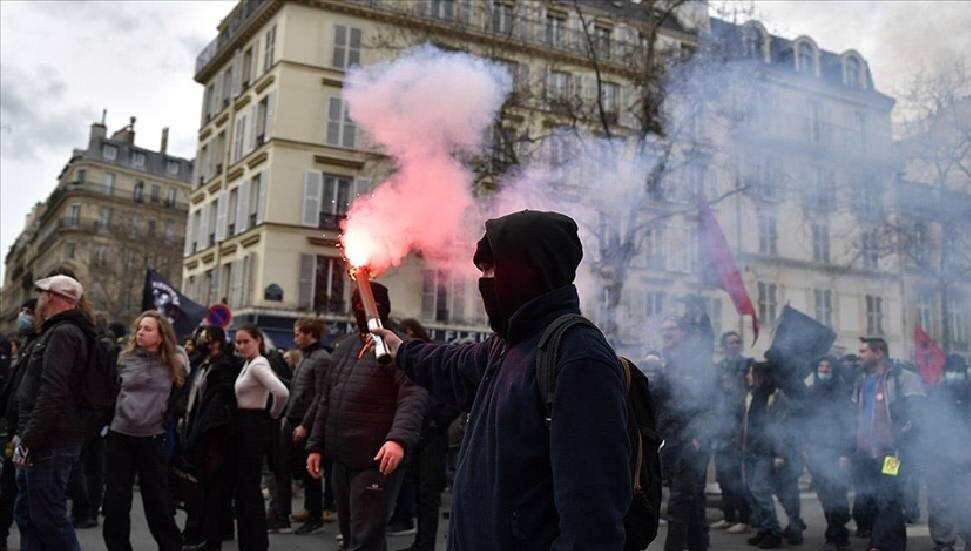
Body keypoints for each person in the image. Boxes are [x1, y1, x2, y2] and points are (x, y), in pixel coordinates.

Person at [371, 210, 632, 550]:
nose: (485, 281)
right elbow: (452, 364)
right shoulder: (508, 344)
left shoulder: (578, 357)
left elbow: (592, 515)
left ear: (531, 272)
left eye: (494, 269)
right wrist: (401, 350)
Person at [306, 284, 427, 551]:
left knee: (366, 539)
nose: (359, 308)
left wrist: (398, 440)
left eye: (366, 303)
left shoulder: (398, 347)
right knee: (350, 536)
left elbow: (412, 396)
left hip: (376, 459)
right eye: (356, 303)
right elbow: (327, 398)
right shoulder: (345, 346)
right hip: (342, 457)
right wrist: (316, 446)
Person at [13, 275, 91, 550]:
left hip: (49, 442)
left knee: (48, 518)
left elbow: (52, 391)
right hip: (42, 438)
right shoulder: (54, 331)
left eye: (43, 293)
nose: (39, 299)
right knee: (29, 514)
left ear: (57, 297)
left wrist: (29, 440)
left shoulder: (64, 333)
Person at [102, 311, 185, 551]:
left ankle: (170, 546)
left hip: (152, 437)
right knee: (117, 500)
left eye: (147, 329)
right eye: (139, 328)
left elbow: (181, 396)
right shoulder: (122, 359)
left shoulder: (174, 363)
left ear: (160, 336)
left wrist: (169, 417)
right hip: (120, 435)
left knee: (157, 500)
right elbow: (110, 391)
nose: (140, 332)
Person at [393, 319, 461, 551]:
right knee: (419, 490)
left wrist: (437, 421)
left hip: (432, 433)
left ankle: (425, 543)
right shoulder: (417, 363)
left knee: (427, 493)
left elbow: (454, 398)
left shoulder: (434, 360)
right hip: (421, 430)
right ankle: (421, 542)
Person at [851, 337, 924, 551]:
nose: (859, 356)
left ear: (879, 352)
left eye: (863, 351)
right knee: (872, 500)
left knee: (888, 497)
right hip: (867, 454)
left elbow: (918, 415)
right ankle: (893, 544)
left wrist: (901, 436)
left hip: (893, 454)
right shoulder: (861, 383)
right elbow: (854, 417)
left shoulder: (904, 378)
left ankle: (879, 546)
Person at [654, 315, 715, 551]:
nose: (666, 333)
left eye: (671, 329)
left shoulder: (698, 362)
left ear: (684, 333)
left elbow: (711, 404)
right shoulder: (664, 361)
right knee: (694, 501)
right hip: (670, 440)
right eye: (663, 329)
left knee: (679, 502)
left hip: (690, 442)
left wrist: (699, 437)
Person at [181, 326, 243, 551]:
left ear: (215, 342)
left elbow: (215, 405)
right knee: (204, 487)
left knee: (214, 487)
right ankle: (204, 532)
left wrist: (199, 432)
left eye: (204, 339)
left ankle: (209, 536)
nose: (199, 342)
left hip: (214, 436)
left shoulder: (224, 367)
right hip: (197, 428)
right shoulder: (202, 365)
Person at [232, 325, 289, 551]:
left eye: (246, 341)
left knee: (250, 488)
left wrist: (273, 414)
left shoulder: (258, 365)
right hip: (246, 425)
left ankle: (254, 543)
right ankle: (250, 541)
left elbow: (282, 392)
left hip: (252, 425)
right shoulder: (249, 364)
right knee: (246, 488)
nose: (242, 346)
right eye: (238, 342)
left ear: (258, 341)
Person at [279, 318, 333, 535]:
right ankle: (310, 509)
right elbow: (297, 390)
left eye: (299, 333)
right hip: (294, 419)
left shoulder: (321, 359)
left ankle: (315, 517)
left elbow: (320, 396)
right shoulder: (305, 357)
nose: (295, 338)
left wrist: (305, 424)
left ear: (311, 334)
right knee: (297, 468)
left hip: (306, 423)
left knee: (312, 472)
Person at [742, 361, 800, 549]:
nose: (747, 376)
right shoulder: (751, 395)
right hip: (750, 450)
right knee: (754, 493)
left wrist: (780, 453)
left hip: (767, 452)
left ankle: (773, 532)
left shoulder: (776, 397)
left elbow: (780, 428)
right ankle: (764, 529)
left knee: (761, 491)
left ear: (759, 375)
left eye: (751, 373)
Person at [803, 356, 854, 551]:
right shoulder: (810, 393)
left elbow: (848, 425)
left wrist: (845, 453)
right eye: (821, 366)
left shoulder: (840, 394)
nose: (824, 370)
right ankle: (840, 531)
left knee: (836, 495)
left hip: (836, 452)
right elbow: (803, 422)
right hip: (816, 452)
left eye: (828, 366)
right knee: (825, 496)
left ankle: (833, 536)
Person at [0, 299, 38, 551]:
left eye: (26, 313)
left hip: (26, 432)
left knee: (21, 494)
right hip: (14, 428)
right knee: (10, 487)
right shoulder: (28, 344)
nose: (22, 317)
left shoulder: (41, 343)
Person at [923, 355, 971, 551]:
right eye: (951, 370)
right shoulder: (935, 394)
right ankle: (943, 542)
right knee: (940, 502)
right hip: (940, 458)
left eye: (958, 371)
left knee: (967, 500)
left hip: (967, 458)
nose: (954, 375)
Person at [711, 331, 753, 534]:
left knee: (738, 478)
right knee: (724, 476)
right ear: (724, 345)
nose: (735, 345)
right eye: (731, 342)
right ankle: (728, 517)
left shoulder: (748, 365)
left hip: (740, 428)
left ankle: (744, 519)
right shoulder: (719, 368)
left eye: (738, 342)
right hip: (721, 428)